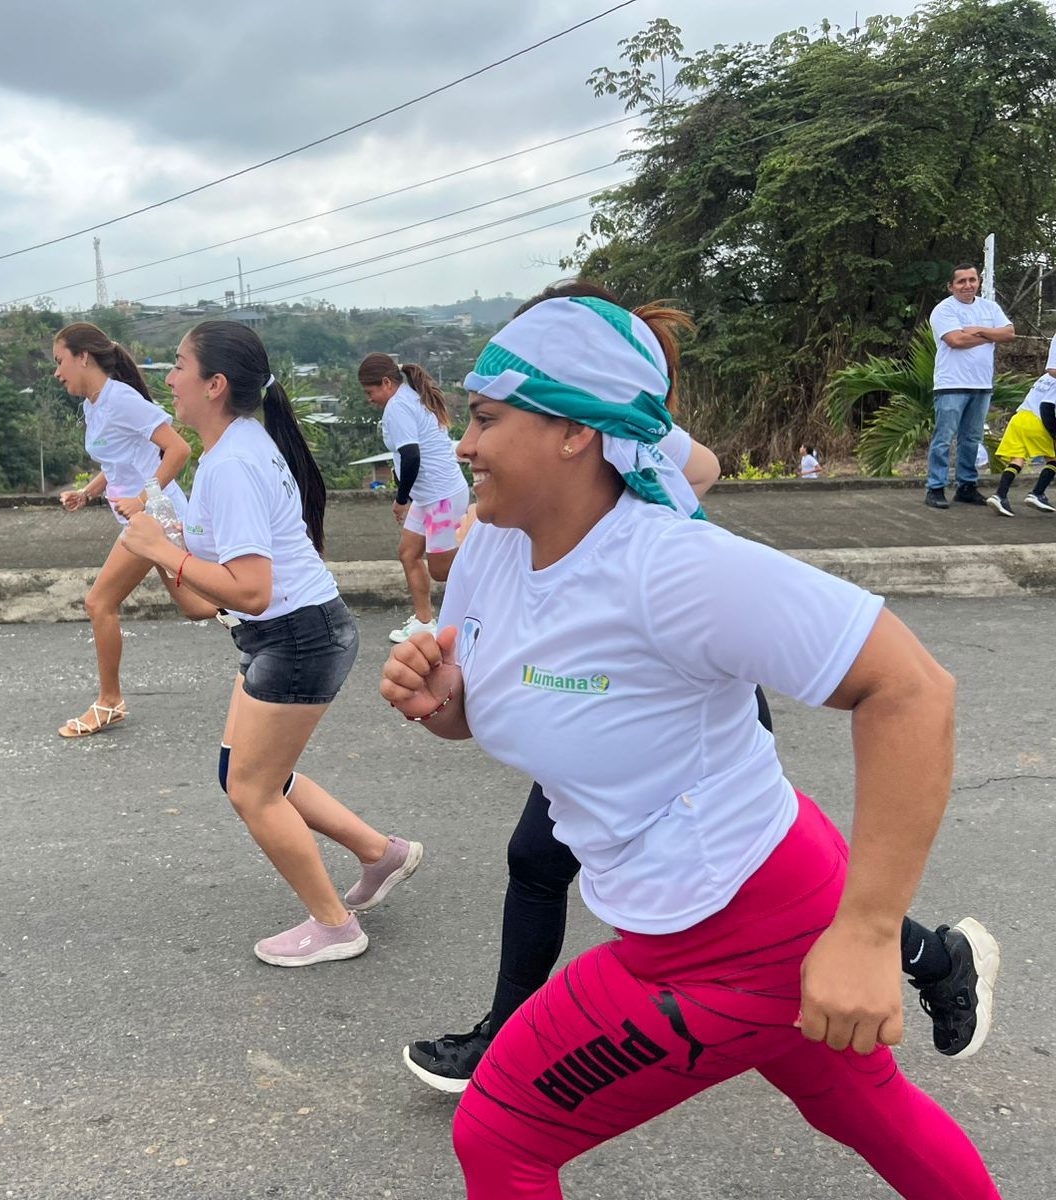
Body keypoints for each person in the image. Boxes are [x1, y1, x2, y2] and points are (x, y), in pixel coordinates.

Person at [382, 296, 1000, 1198]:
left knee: (501, 1134)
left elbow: (912, 690)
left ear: (574, 434)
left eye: (485, 419)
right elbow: (488, 710)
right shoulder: (491, 550)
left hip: (734, 931)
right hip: (753, 890)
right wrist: (444, 704)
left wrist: (868, 935)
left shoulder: (670, 567)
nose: (463, 445)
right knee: (862, 1107)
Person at [121, 320, 422, 966]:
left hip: (295, 637)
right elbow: (211, 599)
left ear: (215, 383)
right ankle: (381, 852)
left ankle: (336, 926)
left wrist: (160, 553)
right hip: (287, 632)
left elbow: (251, 589)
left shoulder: (231, 463)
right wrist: (169, 551)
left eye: (178, 365)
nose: (169, 377)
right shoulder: (240, 445)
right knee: (251, 774)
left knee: (252, 789)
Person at [53, 322, 192, 738]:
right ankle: (270, 612)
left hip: (153, 519)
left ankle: (110, 701)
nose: (58, 373)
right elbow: (120, 460)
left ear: (83, 357)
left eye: (60, 362)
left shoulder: (121, 399)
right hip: (142, 519)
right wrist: (90, 491)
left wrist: (144, 500)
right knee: (200, 606)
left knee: (99, 602)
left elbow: (178, 449)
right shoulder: (94, 404)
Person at [358, 354, 470, 643]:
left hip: (441, 497)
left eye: (370, 392)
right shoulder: (410, 397)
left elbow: (410, 455)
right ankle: (424, 622)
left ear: (386, 382)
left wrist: (401, 498)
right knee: (408, 553)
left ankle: (488, 601)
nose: (369, 399)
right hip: (430, 496)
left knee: (442, 571)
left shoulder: (398, 407)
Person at [925, 263, 1014, 509]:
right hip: (951, 384)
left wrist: (979, 330)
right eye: (961, 281)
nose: (968, 285)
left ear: (979, 282)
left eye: (972, 280)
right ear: (951, 286)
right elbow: (955, 340)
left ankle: (966, 486)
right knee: (944, 438)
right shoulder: (944, 310)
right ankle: (935, 487)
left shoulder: (990, 308)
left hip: (981, 384)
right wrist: (990, 335)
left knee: (971, 438)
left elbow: (1009, 334)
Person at [987, 335, 1056, 516]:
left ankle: (1000, 495)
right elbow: (1047, 407)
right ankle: (1037, 493)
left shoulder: (1045, 378)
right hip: (1038, 420)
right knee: (1054, 460)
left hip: (1019, 418)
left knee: (1017, 460)